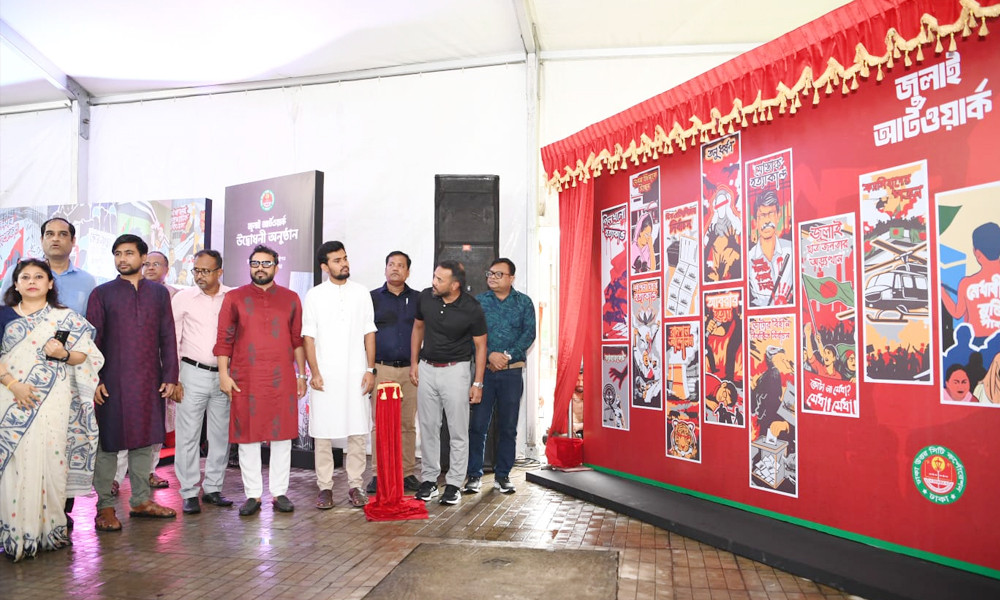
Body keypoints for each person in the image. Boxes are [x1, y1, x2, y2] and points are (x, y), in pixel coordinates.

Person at [0, 259, 103, 561]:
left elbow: (86, 356)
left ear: (50, 283)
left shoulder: (65, 317)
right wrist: (14, 385)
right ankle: (16, 533)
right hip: (10, 397)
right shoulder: (3, 315)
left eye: (39, 277)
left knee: (51, 459)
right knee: (14, 462)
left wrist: (64, 353)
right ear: (16, 284)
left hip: (54, 399)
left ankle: (49, 531)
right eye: (25, 277)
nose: (32, 281)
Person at [87, 234, 179, 531]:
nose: (122, 259)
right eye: (117, 253)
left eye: (128, 253)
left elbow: (167, 336)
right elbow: (93, 341)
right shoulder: (102, 293)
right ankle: (104, 507)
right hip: (112, 380)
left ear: (142, 257)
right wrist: (95, 379)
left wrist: (170, 376)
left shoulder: (159, 294)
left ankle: (140, 500)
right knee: (109, 443)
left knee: (145, 440)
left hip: (149, 379)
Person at [214, 245, 307, 517]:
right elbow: (224, 339)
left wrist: (301, 375)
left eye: (266, 263)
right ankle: (252, 494)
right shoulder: (234, 297)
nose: (260, 268)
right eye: (255, 263)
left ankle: (279, 492)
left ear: (276, 266)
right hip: (245, 377)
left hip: (282, 377)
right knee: (247, 436)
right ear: (249, 266)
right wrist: (223, 375)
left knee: (282, 436)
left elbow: (297, 341)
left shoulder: (291, 298)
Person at [302, 241, 376, 509]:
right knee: (323, 432)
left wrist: (370, 369)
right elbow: (308, 337)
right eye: (337, 260)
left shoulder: (361, 292)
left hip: (356, 373)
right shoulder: (315, 295)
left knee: (357, 430)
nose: (344, 264)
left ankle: (355, 485)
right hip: (326, 375)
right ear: (325, 266)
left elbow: (369, 332)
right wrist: (314, 372)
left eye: (345, 258)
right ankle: (325, 487)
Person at [410, 261, 487, 506]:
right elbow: (418, 328)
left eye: (439, 280)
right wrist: (414, 363)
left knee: (458, 431)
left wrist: (478, 383)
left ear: (454, 285)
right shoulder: (425, 297)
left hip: (457, 371)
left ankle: (454, 483)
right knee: (428, 427)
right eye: (434, 276)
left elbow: (481, 346)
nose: (434, 282)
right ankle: (429, 480)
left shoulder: (472, 308)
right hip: (427, 368)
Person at [465, 259, 535, 495]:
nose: (492, 277)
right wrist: (489, 356)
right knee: (478, 425)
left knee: (508, 427)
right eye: (490, 273)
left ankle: (503, 475)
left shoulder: (524, 302)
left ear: (511, 278)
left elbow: (529, 334)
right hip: (483, 372)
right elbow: (469, 334)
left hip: (511, 372)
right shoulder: (479, 302)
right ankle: (474, 475)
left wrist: (506, 356)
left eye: (498, 274)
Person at [171, 249, 233, 514]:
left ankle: (213, 488)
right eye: (196, 270)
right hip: (191, 373)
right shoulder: (183, 298)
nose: (199, 276)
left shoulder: (232, 297)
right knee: (188, 435)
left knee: (220, 434)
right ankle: (188, 492)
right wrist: (173, 378)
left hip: (224, 374)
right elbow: (172, 339)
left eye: (206, 271)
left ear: (220, 272)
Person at [115, 250, 181, 491]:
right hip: (129, 369)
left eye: (157, 264)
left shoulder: (175, 296)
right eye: (147, 263)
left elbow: (173, 336)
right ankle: (116, 476)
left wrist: (173, 372)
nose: (150, 267)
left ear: (167, 269)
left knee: (156, 422)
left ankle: (150, 471)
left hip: (163, 368)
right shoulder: (125, 292)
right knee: (124, 420)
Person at [366, 251, 421, 495]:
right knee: (380, 424)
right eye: (391, 264)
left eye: (401, 265)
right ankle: (378, 474)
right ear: (385, 268)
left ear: (408, 271)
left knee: (407, 424)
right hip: (382, 369)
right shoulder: (371, 298)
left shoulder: (419, 299)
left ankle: (407, 472)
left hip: (410, 371)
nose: (395, 268)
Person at [747, 190, 793, 306]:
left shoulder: (791, 250)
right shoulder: (748, 259)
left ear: (778, 216)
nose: (767, 221)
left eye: (771, 214)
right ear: (755, 222)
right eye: (762, 216)